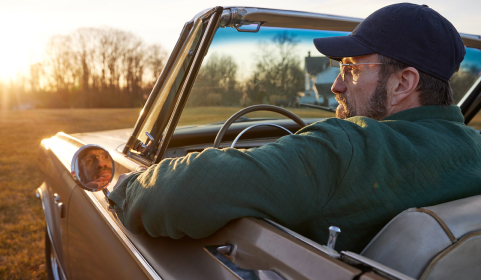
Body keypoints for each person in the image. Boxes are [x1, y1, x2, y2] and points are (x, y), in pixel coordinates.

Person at [108, 3, 481, 253]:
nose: (336, 85)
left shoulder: (347, 148)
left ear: (403, 83)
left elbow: (183, 193)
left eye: (351, 68)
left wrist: (124, 187)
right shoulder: (474, 149)